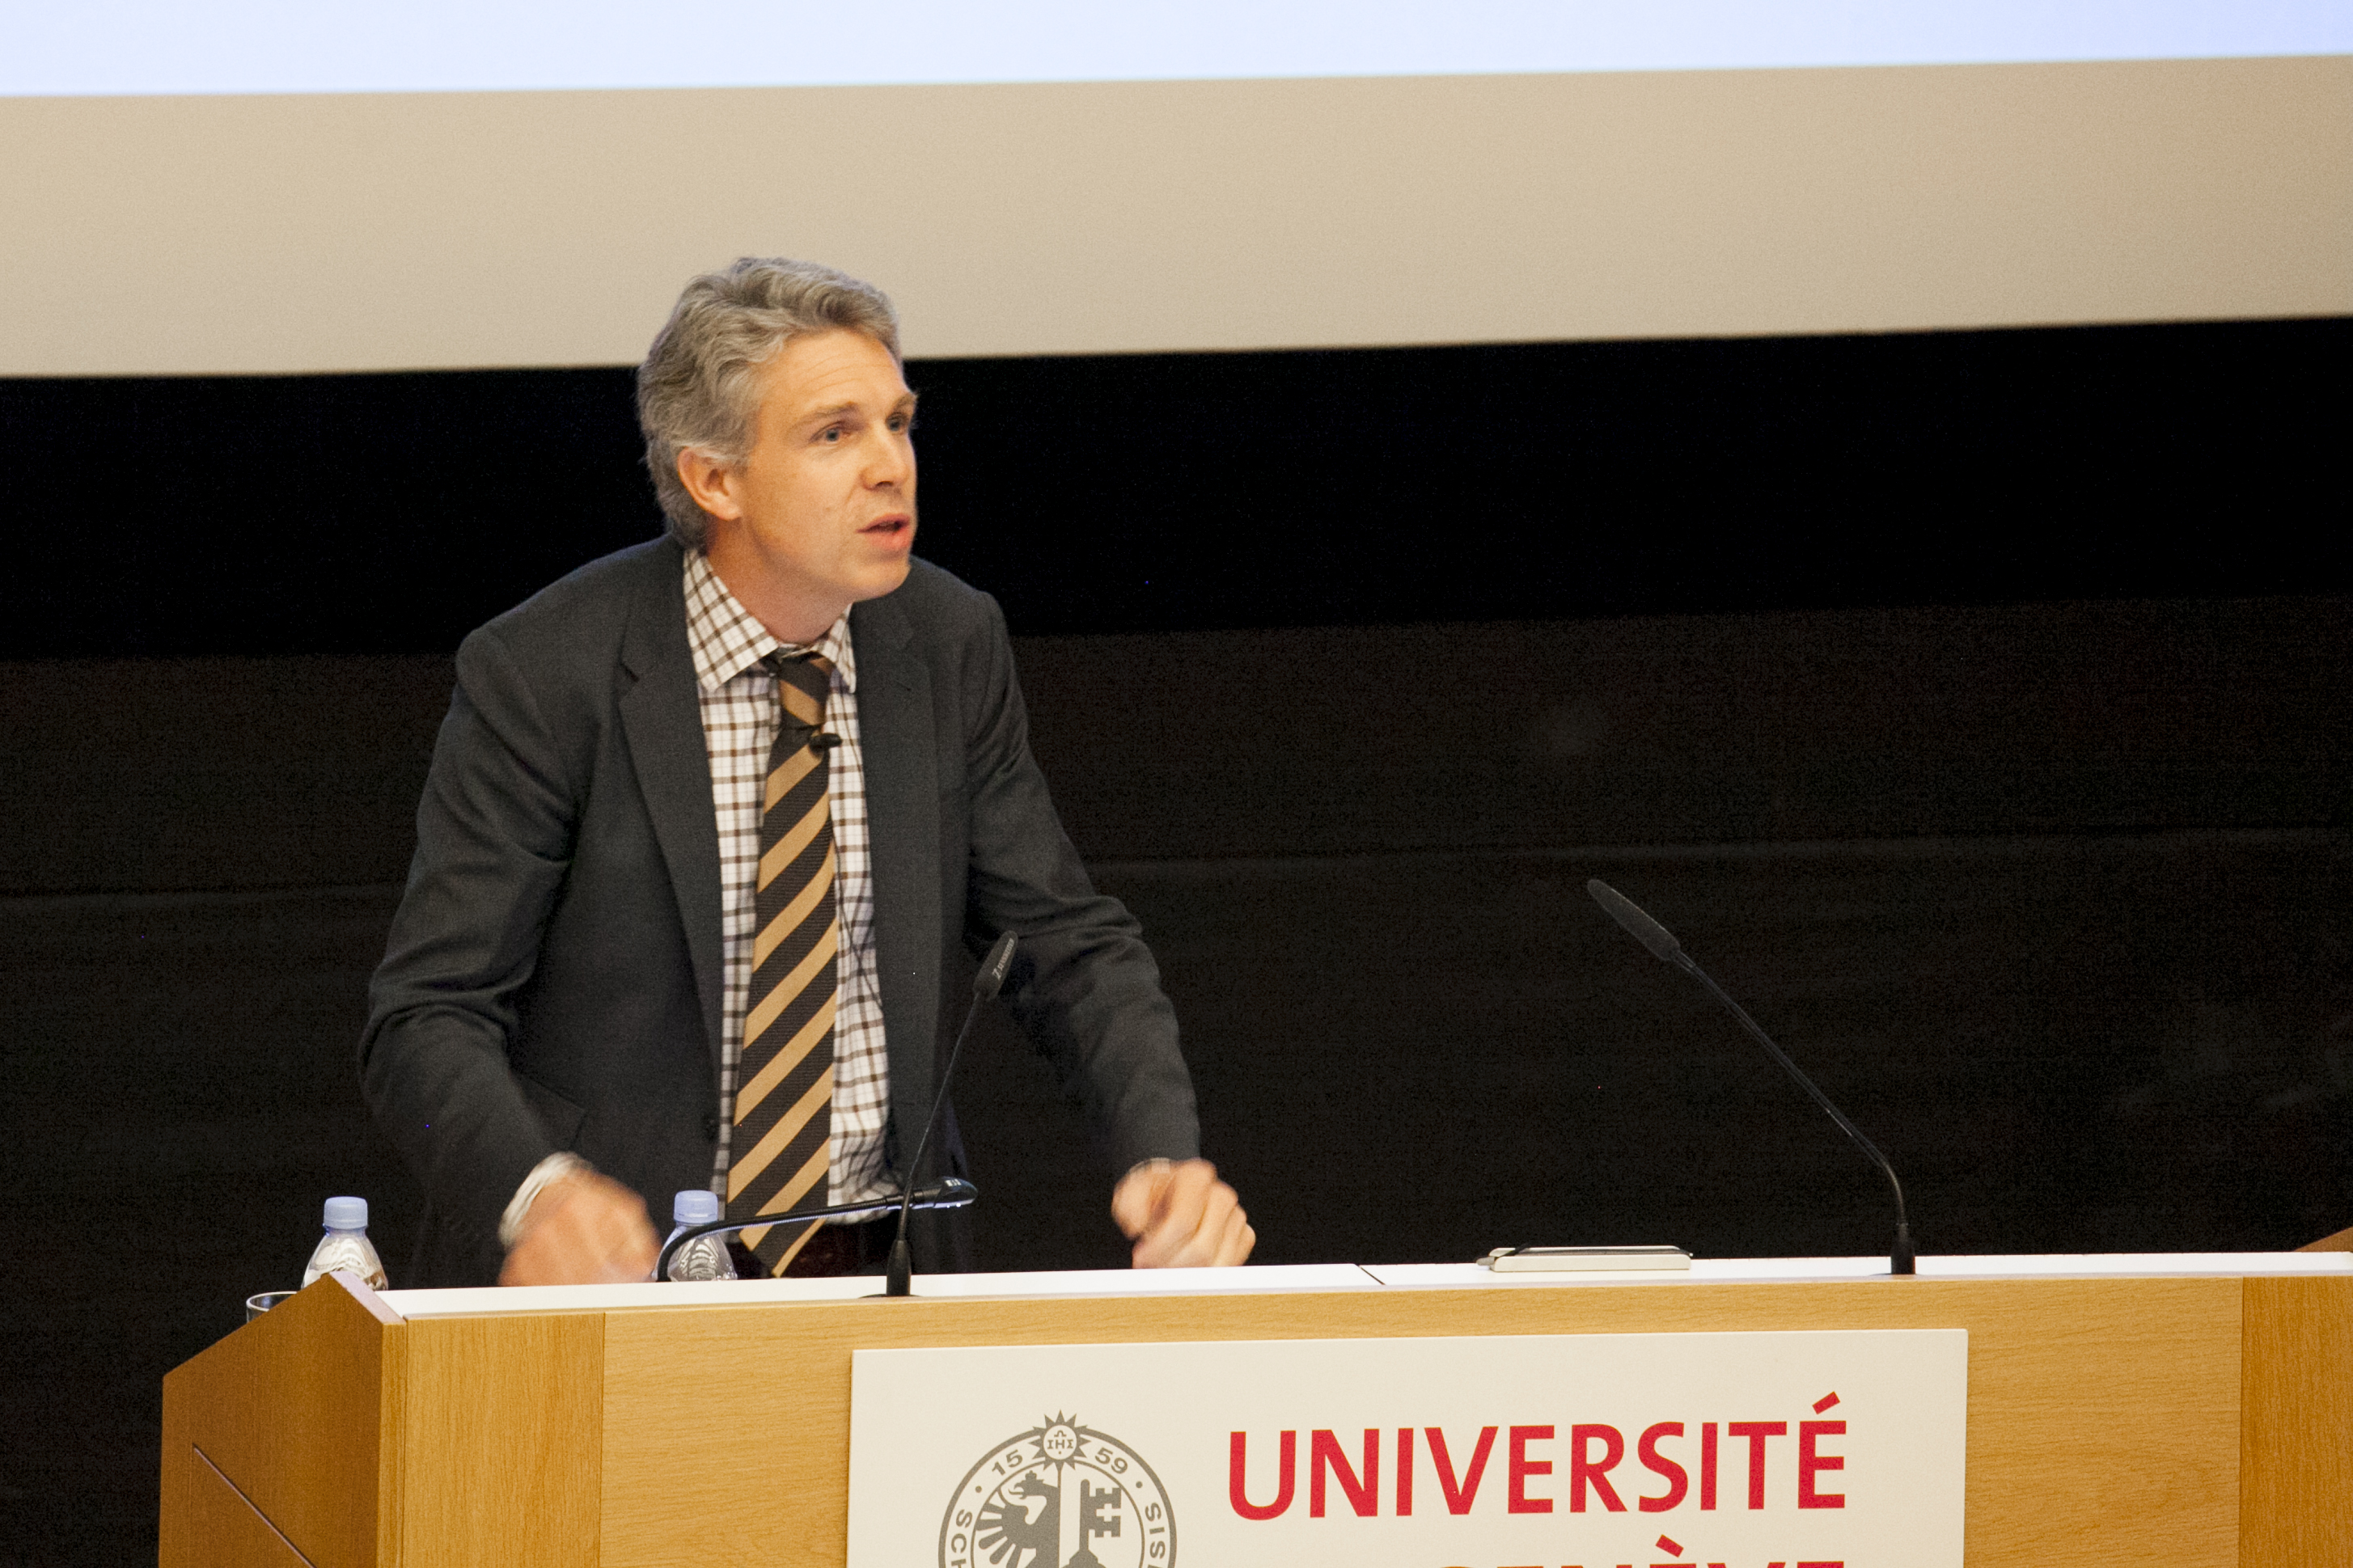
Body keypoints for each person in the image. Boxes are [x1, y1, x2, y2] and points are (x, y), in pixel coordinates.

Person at [361, 257, 1254, 1287]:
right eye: (835, 434)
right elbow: (423, 1017)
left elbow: (1065, 944)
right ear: (715, 480)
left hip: (877, 1269)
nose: (890, 466)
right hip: (617, 1278)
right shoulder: (547, 671)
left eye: (897, 423)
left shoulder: (945, 642)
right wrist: (536, 1190)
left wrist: (1162, 1154)